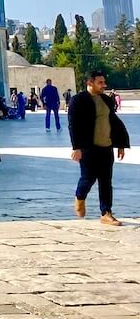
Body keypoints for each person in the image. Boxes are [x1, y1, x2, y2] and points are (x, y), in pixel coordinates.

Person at [69, 71, 130, 225]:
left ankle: (106, 213)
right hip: (89, 148)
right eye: (100, 83)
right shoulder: (78, 100)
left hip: (106, 147)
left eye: (104, 82)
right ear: (90, 83)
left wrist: (120, 144)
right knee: (88, 179)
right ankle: (80, 197)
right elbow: (73, 125)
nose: (104, 85)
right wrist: (76, 147)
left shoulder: (106, 100)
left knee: (105, 181)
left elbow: (114, 122)